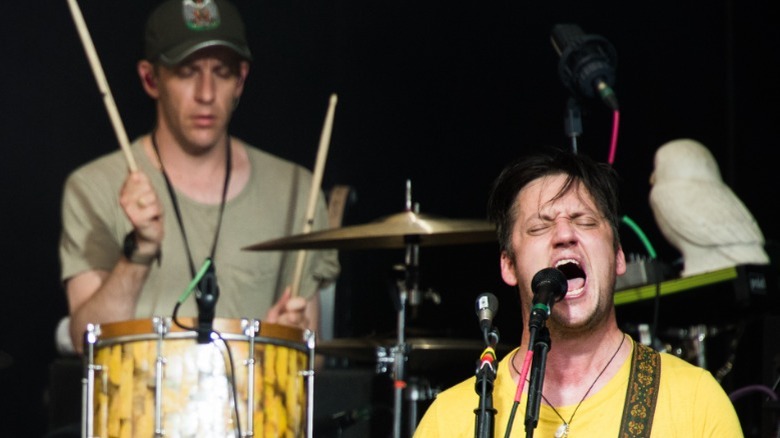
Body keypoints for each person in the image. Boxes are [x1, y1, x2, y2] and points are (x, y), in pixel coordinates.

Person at [59, 0, 339, 354]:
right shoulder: (93, 187)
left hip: (254, 408)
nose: (206, 94)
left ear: (241, 80)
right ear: (150, 79)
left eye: (221, 72)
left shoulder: (297, 190)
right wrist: (139, 253)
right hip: (141, 406)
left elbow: (317, 367)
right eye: (187, 71)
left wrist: (286, 343)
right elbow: (87, 342)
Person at [414, 149, 743, 437]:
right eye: (539, 227)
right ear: (509, 266)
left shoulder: (696, 401)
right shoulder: (451, 419)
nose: (564, 234)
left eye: (584, 221)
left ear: (617, 256)